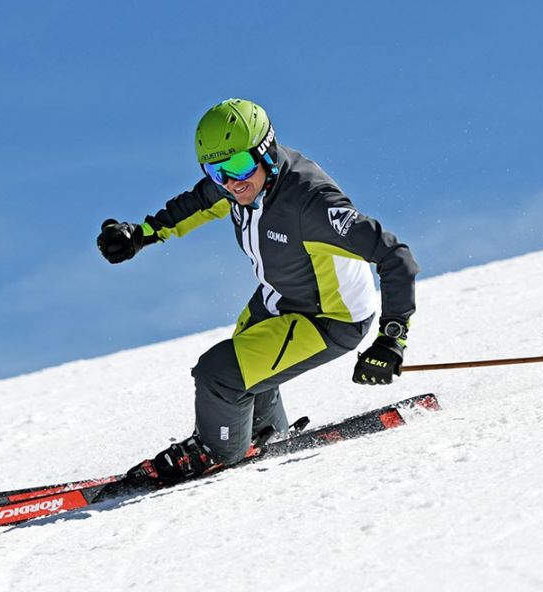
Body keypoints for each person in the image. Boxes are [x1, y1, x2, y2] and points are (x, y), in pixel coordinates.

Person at [96, 98, 418, 484]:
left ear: (265, 152)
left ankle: (216, 452)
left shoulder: (310, 204)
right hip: (280, 298)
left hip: (330, 318)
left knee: (219, 374)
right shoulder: (237, 186)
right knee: (245, 359)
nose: (231, 181)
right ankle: (264, 433)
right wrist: (143, 233)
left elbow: (394, 255)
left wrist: (391, 339)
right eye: (217, 171)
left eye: (238, 166)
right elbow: (197, 202)